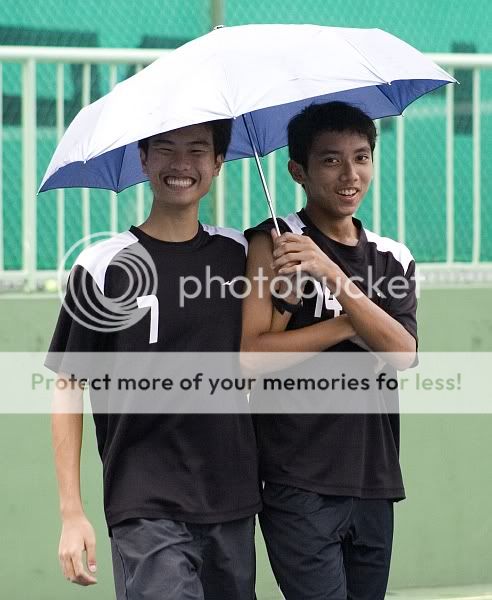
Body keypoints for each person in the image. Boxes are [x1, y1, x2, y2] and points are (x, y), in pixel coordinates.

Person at [46, 120, 261, 599]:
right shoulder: (102, 265)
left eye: (197, 150)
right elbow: (68, 385)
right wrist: (71, 512)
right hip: (144, 501)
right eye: (165, 149)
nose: (181, 164)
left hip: (232, 496)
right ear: (143, 159)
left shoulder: (243, 254)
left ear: (218, 163)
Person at [242, 101, 418, 600]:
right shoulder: (274, 242)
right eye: (330, 160)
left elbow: (403, 354)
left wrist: (333, 276)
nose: (349, 175)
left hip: (374, 477)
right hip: (296, 479)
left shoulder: (392, 257)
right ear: (298, 171)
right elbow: (252, 357)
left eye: (361, 157)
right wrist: (351, 323)